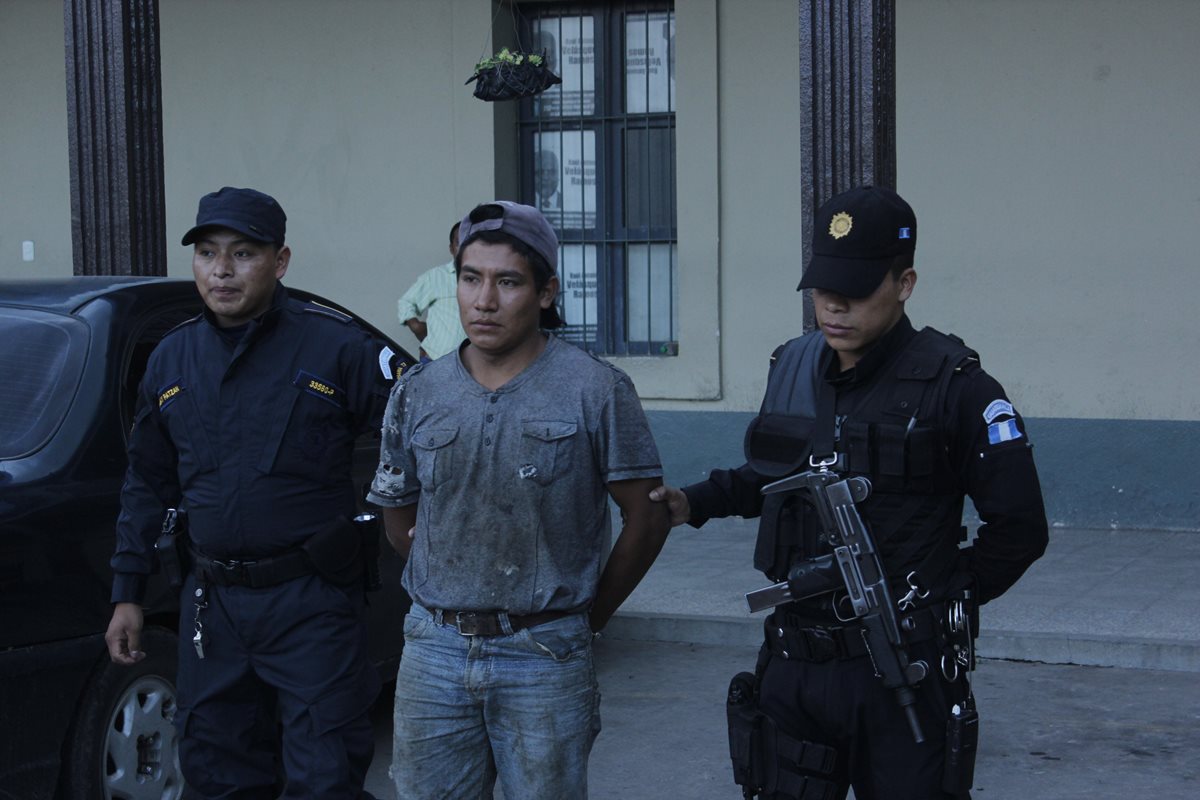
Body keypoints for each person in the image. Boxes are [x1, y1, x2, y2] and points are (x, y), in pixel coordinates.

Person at [650, 185, 1048, 799]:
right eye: (822, 287)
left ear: (905, 283)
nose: (832, 305)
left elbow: (1020, 527)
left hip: (899, 672)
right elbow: (770, 474)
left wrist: (942, 596)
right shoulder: (794, 366)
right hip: (794, 662)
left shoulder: (958, 386)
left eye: (856, 290)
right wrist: (693, 502)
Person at [368, 200, 671, 799]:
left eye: (507, 282)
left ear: (546, 292)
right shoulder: (417, 391)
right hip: (433, 651)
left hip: (544, 652)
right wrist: (447, 585)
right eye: (470, 278)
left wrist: (590, 618)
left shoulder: (596, 388)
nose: (484, 301)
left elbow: (648, 513)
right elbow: (397, 511)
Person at [104, 186, 389, 799]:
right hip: (214, 608)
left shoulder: (339, 348)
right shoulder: (172, 358)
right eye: (207, 253)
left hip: (312, 600)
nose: (222, 271)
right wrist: (127, 590)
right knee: (215, 770)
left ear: (280, 262)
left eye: (242, 254)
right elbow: (146, 483)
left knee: (325, 777)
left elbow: (421, 439)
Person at [396, 221, 468, 361]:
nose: (465, 247)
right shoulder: (435, 277)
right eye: (459, 242)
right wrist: (416, 327)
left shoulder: (487, 280)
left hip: (473, 366)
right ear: (451, 248)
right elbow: (406, 303)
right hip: (435, 360)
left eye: (469, 241)